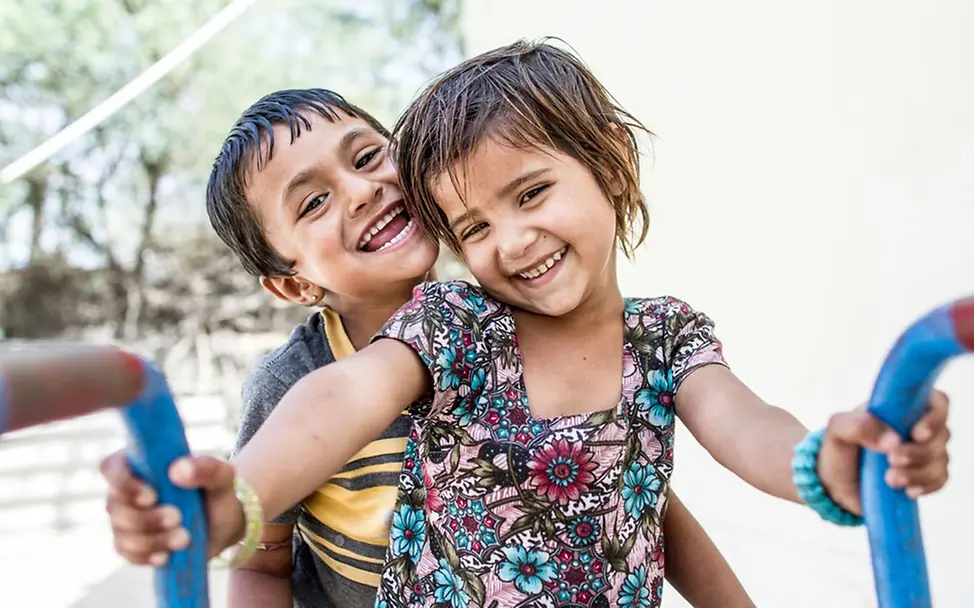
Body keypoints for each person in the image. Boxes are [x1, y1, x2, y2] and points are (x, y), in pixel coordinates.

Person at [105, 41, 952, 606]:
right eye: (472, 228)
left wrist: (822, 467)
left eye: (533, 193)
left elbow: (731, 435)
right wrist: (239, 499)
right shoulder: (453, 325)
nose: (510, 241)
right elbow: (340, 401)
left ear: (610, 164)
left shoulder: (662, 338)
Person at [100, 88, 754, 606]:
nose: (361, 191)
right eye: (314, 202)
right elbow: (266, 560)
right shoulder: (294, 382)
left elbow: (624, 489)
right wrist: (229, 502)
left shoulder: (512, 313)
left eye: (365, 157)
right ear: (294, 283)